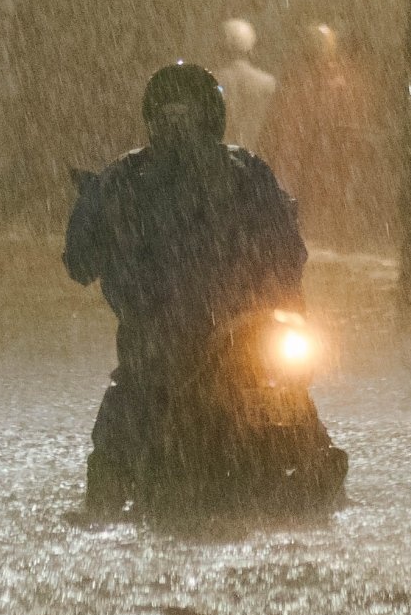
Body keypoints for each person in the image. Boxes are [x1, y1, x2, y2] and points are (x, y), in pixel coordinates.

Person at [65, 61, 309, 518]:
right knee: (122, 427)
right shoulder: (124, 179)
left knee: (293, 406)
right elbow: (80, 260)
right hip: (156, 344)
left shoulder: (245, 172)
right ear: (153, 121)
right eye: (168, 117)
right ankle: (113, 488)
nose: (178, 129)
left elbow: (286, 251)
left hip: (239, 339)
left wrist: (285, 304)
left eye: (187, 116)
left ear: (207, 118)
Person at [260, 22, 383, 237]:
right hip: (319, 153)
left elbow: (353, 118)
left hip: (328, 153)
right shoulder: (312, 78)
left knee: (328, 201)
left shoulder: (327, 79)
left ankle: (331, 234)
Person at [214, 19, 278, 154]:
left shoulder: (211, 82)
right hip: (256, 155)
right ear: (251, 47)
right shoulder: (268, 83)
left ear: (221, 46)